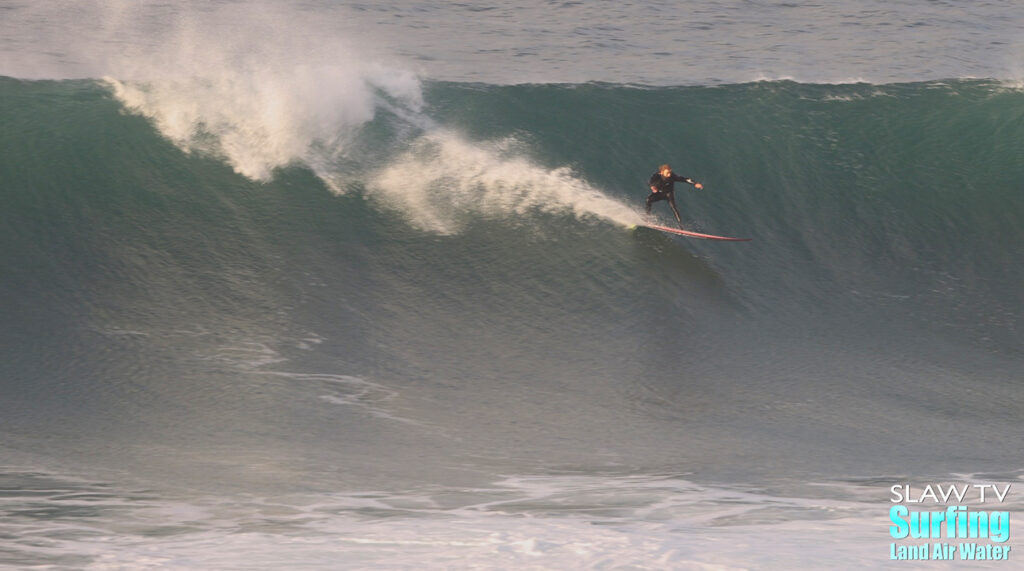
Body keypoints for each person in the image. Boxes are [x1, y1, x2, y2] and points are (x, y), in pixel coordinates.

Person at [646, 164, 703, 228]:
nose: (669, 175)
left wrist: (695, 183)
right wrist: (652, 187)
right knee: (648, 200)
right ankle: (647, 216)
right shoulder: (656, 175)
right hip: (659, 193)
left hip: (669, 194)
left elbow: (684, 179)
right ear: (661, 172)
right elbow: (650, 181)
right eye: (667, 173)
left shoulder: (672, 176)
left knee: (674, 208)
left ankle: (680, 226)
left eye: (670, 172)